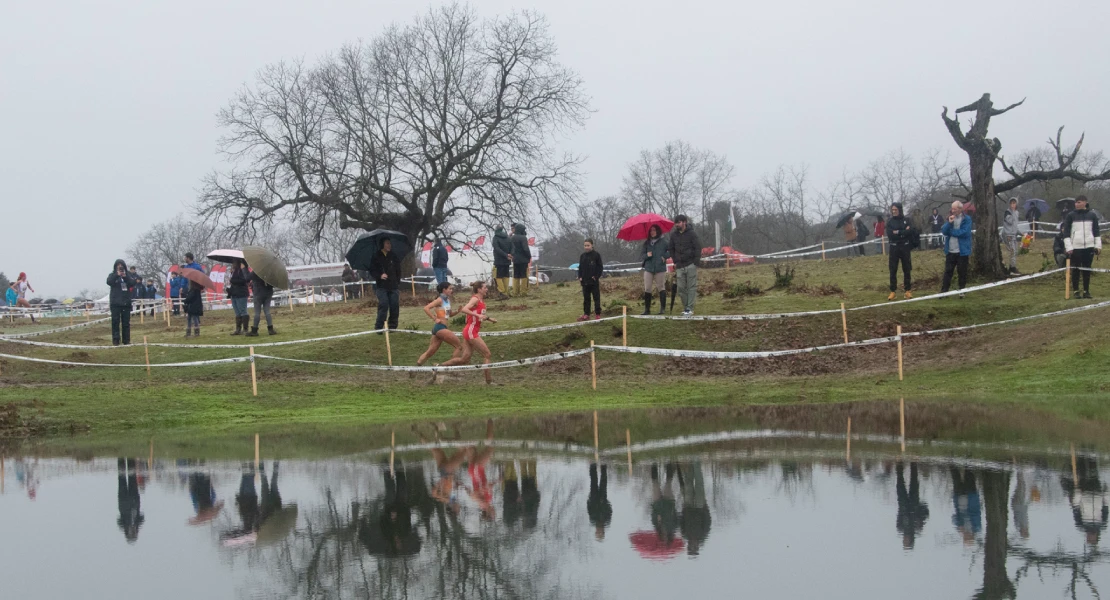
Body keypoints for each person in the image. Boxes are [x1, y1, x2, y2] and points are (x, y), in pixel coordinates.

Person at [441, 281, 498, 384]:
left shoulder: (481, 300)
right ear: (479, 289)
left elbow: (478, 314)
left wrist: (489, 319)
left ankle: (438, 368)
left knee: (464, 359)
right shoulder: (475, 299)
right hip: (471, 331)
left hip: (470, 331)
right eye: (485, 288)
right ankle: (489, 382)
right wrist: (478, 316)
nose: (487, 289)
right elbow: (464, 309)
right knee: (487, 354)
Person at [1062, 195, 1102, 299]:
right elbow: (1066, 233)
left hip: (1089, 246)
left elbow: (1096, 231)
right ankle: (1076, 291)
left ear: (1085, 202)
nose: (1077, 204)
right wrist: (1069, 247)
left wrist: (1098, 246)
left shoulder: (1092, 215)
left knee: (1087, 269)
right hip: (1076, 247)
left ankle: (1086, 291)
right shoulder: (1070, 215)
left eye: (1079, 202)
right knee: (1076, 269)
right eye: (1076, 202)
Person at [416, 282, 463, 367]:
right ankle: (450, 368)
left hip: (440, 328)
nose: (451, 290)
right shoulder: (439, 300)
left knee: (430, 352)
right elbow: (426, 308)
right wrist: (435, 318)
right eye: (450, 289)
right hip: (440, 327)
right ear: (444, 290)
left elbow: (450, 314)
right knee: (459, 346)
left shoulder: (447, 300)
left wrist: (457, 311)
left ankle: (416, 368)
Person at [667, 215, 701, 316]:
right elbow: (671, 248)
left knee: (691, 287)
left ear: (684, 222)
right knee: (681, 288)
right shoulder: (673, 235)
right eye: (676, 222)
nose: (677, 224)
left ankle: (689, 308)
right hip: (679, 266)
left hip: (691, 264)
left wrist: (696, 262)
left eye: (679, 222)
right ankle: (686, 307)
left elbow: (698, 247)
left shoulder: (692, 234)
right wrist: (675, 260)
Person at [940, 201, 972, 297]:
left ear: (960, 209)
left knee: (962, 272)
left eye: (954, 209)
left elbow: (964, 232)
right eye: (952, 208)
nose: (952, 211)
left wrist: (952, 232)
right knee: (948, 272)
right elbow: (944, 231)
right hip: (950, 250)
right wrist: (949, 223)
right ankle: (944, 291)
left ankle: (961, 290)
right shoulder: (950, 218)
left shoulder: (967, 219)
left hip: (962, 251)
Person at [895, 462, 930, 550]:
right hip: (914, 503)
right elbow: (926, 514)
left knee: (900, 480)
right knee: (914, 480)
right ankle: (914, 461)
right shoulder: (917, 528)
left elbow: (899, 515)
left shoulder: (900, 527)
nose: (905, 540)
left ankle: (899, 461)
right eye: (906, 542)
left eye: (904, 542)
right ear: (911, 540)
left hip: (903, 504)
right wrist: (919, 519)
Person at [370, 238, 402, 331]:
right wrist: (380, 275)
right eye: (387, 243)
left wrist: (397, 282)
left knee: (394, 305)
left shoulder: (393, 256)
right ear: (382, 245)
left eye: (390, 243)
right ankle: (379, 327)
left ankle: (392, 327)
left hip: (393, 286)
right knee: (383, 305)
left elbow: (398, 270)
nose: (389, 245)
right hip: (381, 286)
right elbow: (372, 271)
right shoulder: (376, 256)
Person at [885, 202, 914, 300]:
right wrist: (903, 232)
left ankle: (908, 290)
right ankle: (893, 291)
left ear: (899, 210)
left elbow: (910, 232)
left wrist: (898, 232)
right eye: (892, 210)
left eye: (895, 210)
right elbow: (890, 235)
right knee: (893, 270)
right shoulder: (889, 221)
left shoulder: (907, 220)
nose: (894, 211)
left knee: (907, 269)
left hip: (905, 247)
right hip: (894, 248)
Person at [106, 259, 138, 345]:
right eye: (118, 266)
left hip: (125, 303)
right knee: (115, 322)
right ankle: (116, 340)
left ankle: (126, 340)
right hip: (115, 303)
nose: (120, 267)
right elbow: (109, 282)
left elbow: (132, 282)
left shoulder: (128, 275)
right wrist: (117, 275)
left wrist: (125, 277)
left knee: (126, 323)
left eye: (121, 266)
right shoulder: (112, 275)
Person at [641, 224, 670, 315]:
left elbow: (670, 251)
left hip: (660, 268)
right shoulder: (646, 243)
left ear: (657, 231)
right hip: (649, 268)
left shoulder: (664, 242)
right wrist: (647, 255)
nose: (652, 232)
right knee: (647, 288)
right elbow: (642, 255)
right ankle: (647, 309)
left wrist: (664, 257)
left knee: (661, 287)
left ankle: (662, 309)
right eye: (651, 230)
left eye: (654, 230)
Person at [117, 458, 144, 543]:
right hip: (134, 498)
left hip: (123, 500)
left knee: (122, 478)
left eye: (131, 534)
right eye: (133, 534)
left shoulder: (123, 525)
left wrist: (127, 523)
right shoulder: (138, 523)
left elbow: (119, 520)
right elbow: (142, 517)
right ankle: (130, 459)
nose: (132, 532)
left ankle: (121, 459)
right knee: (132, 477)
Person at [577, 239, 604, 321]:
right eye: (585, 245)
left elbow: (600, 267)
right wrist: (580, 276)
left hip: (593, 281)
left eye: (588, 245)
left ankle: (597, 313)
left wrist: (596, 276)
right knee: (586, 298)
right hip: (585, 281)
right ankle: (586, 314)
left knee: (596, 298)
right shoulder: (582, 256)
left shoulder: (596, 255)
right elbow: (580, 268)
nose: (586, 247)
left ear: (592, 245)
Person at [587, 463, 612, 540]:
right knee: (603, 482)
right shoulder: (607, 520)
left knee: (593, 481)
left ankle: (592, 466)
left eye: (598, 532)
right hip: (602, 499)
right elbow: (609, 510)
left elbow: (589, 509)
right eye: (600, 532)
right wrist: (605, 503)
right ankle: (603, 466)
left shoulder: (592, 520)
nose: (599, 530)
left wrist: (590, 500)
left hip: (593, 498)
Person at [247, 270, 276, 336]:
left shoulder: (257, 270)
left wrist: (244, 269)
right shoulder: (270, 271)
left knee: (257, 312)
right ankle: (270, 329)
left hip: (258, 292)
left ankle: (254, 330)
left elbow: (247, 277)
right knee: (267, 311)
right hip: (268, 292)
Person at [227, 259, 250, 335]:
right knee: (237, 312)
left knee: (243, 311)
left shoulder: (243, 270)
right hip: (234, 293)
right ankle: (238, 329)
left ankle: (245, 329)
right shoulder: (234, 271)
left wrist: (232, 280)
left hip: (241, 293)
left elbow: (244, 280)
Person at [492, 225, 513, 299]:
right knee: (506, 276)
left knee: (498, 277)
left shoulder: (495, 238)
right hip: (507, 260)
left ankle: (502, 292)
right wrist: (509, 255)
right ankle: (506, 292)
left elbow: (497, 249)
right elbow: (512, 247)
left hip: (499, 260)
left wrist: (505, 254)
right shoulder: (507, 237)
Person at [1002, 197, 1022, 276]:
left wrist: (1020, 233)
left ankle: (1012, 266)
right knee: (1012, 251)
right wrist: (1013, 212)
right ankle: (1012, 268)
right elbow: (1010, 222)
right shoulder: (1007, 213)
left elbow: (1015, 225)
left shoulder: (1016, 213)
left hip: (1013, 235)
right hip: (1008, 235)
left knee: (1015, 251)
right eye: (1011, 203)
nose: (1012, 205)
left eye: (1014, 203)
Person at [510, 223, 531, 297]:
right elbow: (526, 249)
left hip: (515, 259)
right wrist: (529, 256)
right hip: (523, 259)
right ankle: (523, 292)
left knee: (516, 276)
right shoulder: (523, 238)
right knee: (524, 276)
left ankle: (515, 292)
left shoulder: (512, 238)